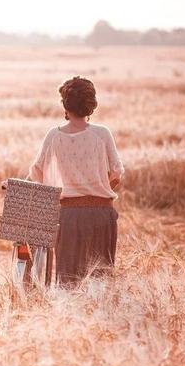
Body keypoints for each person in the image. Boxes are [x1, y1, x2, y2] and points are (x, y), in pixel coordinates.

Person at [8, 76, 125, 288]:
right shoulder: (102, 134)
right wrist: (96, 188)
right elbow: (116, 174)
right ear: (92, 105)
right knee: (100, 285)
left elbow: (37, 174)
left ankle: (69, 320)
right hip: (101, 216)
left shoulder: (54, 136)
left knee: (68, 285)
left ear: (65, 104)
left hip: (68, 217)